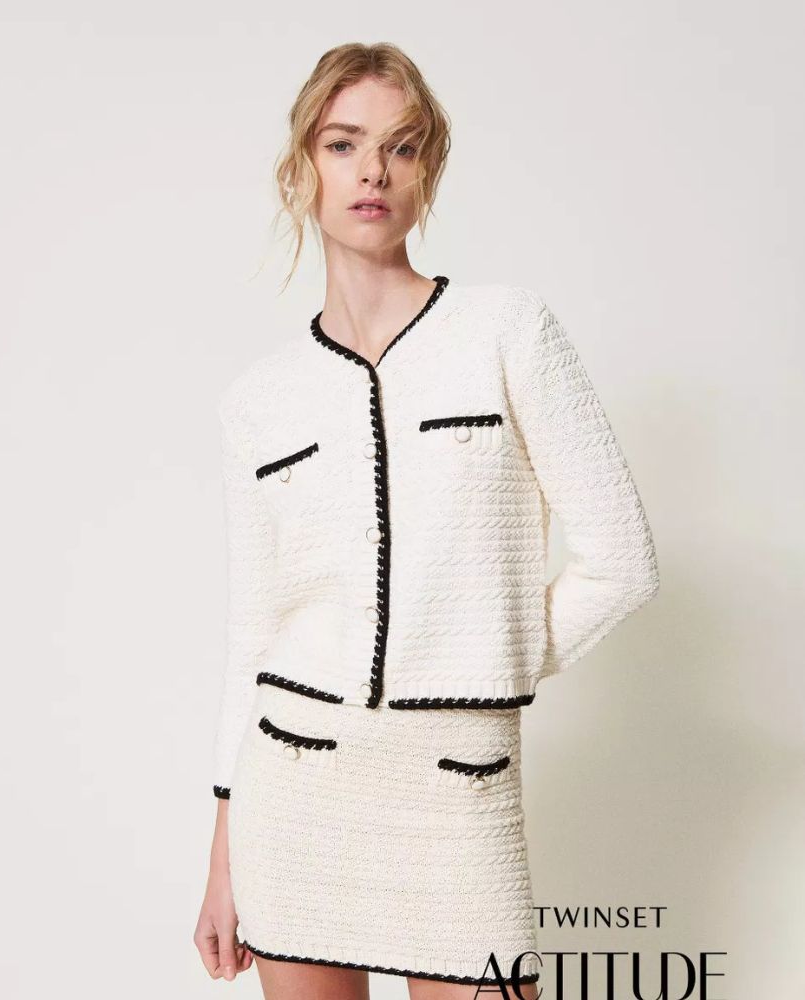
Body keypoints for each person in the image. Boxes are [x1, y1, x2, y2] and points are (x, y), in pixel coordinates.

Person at [193, 42, 660, 1000]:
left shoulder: (508, 332)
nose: (372, 170)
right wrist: (222, 856)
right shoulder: (258, 402)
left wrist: (483, 660)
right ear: (301, 169)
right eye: (343, 144)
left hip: (459, 782)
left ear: (428, 171)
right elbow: (254, 635)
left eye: (401, 147)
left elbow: (623, 561)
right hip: (294, 791)